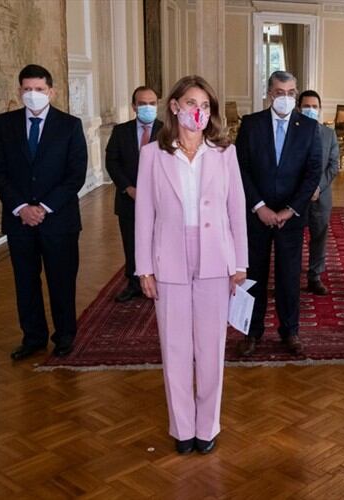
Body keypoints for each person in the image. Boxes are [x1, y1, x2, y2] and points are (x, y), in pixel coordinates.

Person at [135, 75, 248, 455]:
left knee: (211, 347)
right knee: (176, 347)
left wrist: (241, 262)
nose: (197, 111)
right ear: (174, 107)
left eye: (204, 106)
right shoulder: (152, 154)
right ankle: (183, 428)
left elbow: (236, 211)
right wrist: (143, 267)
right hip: (169, 258)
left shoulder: (224, 153)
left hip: (216, 255)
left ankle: (207, 426)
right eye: (190, 104)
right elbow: (143, 214)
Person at [0, 64, 88, 361]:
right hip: (19, 221)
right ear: (20, 92)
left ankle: (65, 336)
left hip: (59, 220)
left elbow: (75, 174)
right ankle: (33, 338)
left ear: (51, 92)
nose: (33, 95)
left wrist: (43, 208)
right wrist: (21, 208)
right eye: (27, 89)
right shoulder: (4, 124)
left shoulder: (70, 125)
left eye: (39, 90)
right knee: (25, 281)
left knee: (62, 280)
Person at [235, 71, 323, 356]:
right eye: (279, 92)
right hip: (257, 215)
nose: (285, 98)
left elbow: (312, 174)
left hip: (291, 217)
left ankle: (290, 331)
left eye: (291, 93)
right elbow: (241, 168)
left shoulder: (309, 128)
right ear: (269, 93)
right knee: (254, 274)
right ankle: (252, 331)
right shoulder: (251, 124)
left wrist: (290, 210)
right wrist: (259, 206)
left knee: (289, 275)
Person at [105, 86, 163, 302]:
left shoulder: (167, 131)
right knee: (131, 242)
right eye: (142, 103)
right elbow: (112, 162)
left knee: (158, 242)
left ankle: (159, 280)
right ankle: (133, 283)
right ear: (133, 107)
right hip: (129, 199)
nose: (147, 107)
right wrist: (128, 188)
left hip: (159, 201)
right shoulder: (121, 132)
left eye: (152, 103)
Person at [298, 90, 340, 295]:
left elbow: (333, 165)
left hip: (320, 196)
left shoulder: (328, 134)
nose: (311, 110)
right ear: (298, 109)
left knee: (319, 236)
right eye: (307, 106)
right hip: (295, 197)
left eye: (315, 107)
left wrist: (317, 187)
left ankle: (315, 276)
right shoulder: (290, 133)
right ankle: (289, 274)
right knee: (292, 237)